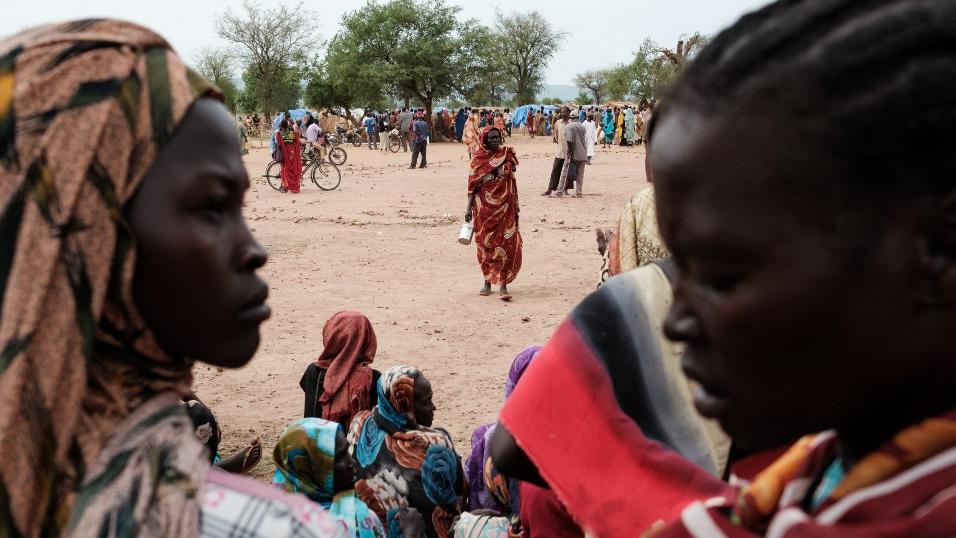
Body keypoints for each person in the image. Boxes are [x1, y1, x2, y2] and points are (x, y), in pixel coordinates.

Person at [0, 20, 345, 537]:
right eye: (211, 207)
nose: (254, 249)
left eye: (241, 207)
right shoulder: (268, 526)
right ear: (86, 229)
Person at [349, 366, 465, 538]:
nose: (433, 407)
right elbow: (459, 496)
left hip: (368, 530)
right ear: (404, 406)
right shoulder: (436, 443)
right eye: (426, 402)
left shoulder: (360, 423)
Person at [273, 418, 386, 536]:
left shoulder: (271, 517)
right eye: (340, 457)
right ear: (313, 468)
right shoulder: (359, 519)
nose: (352, 462)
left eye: (347, 451)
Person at [465, 127, 522, 300]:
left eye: (497, 137)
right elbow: (471, 187)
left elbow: (512, 179)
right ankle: (487, 282)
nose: (496, 140)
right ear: (484, 139)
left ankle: (503, 284)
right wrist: (468, 209)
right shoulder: (477, 160)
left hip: (505, 207)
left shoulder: (506, 155)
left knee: (506, 244)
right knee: (484, 246)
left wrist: (516, 206)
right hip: (483, 211)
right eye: (492, 137)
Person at [301, 311, 381, 430]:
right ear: (366, 339)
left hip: (317, 442)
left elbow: (311, 414)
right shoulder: (373, 377)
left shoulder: (314, 371)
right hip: (355, 446)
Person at [554, 113, 588, 198]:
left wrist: (570, 152)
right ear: (578, 117)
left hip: (573, 154)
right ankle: (579, 193)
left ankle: (559, 192)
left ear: (570, 117)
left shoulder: (569, 126)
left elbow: (569, 141)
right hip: (583, 153)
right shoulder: (582, 126)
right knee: (580, 175)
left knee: (564, 173)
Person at [542, 107, 570, 196]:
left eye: (564, 112)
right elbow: (555, 133)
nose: (562, 114)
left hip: (569, 152)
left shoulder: (571, 124)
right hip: (559, 151)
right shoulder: (558, 123)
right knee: (555, 171)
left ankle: (565, 189)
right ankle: (550, 189)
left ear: (569, 113)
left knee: (569, 172)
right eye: (561, 112)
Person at [276, 112, 303, 193]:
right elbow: (297, 140)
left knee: (284, 169)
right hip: (292, 151)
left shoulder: (280, 133)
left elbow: (279, 144)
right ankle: (294, 185)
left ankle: (285, 186)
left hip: (285, 152)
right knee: (294, 168)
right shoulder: (292, 131)